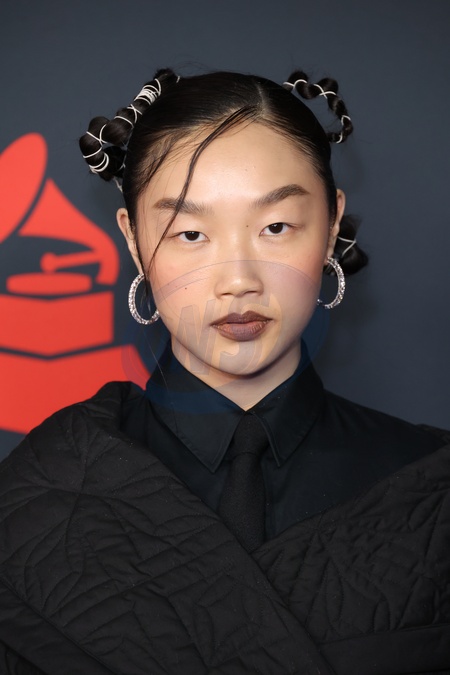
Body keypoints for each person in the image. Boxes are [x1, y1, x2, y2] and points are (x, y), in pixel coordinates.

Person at [0, 68, 448, 675]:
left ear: (330, 225)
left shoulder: (430, 482)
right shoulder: (36, 497)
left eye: (275, 228)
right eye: (190, 233)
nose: (238, 280)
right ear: (134, 241)